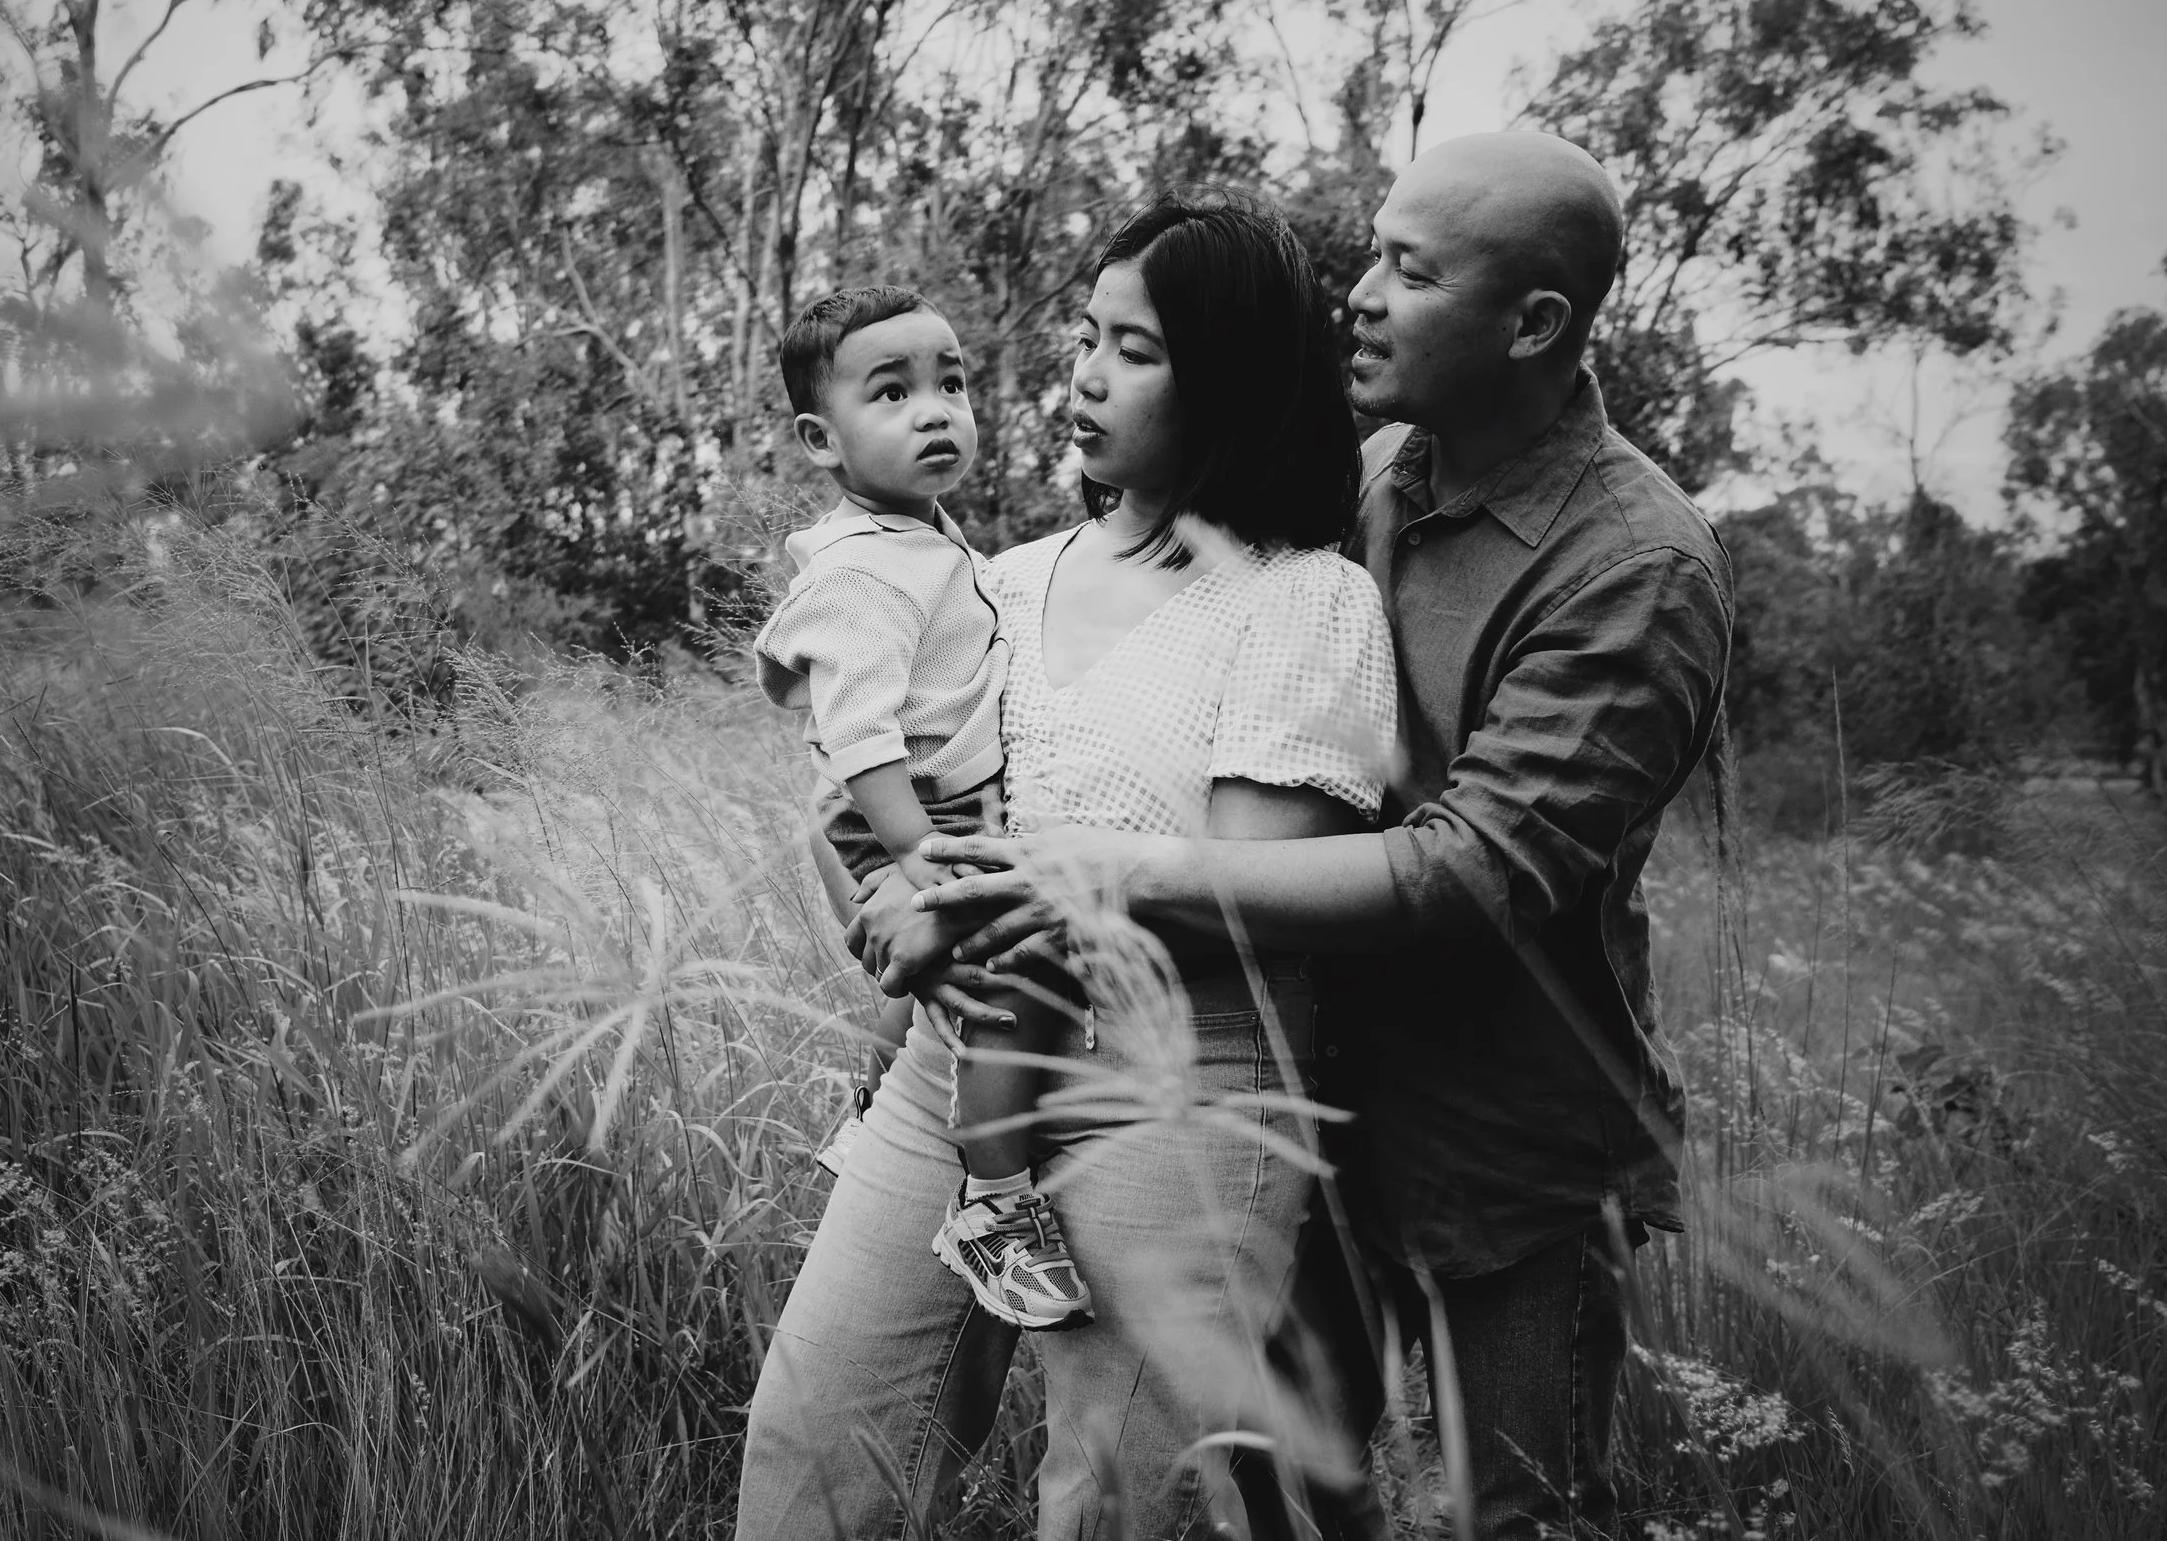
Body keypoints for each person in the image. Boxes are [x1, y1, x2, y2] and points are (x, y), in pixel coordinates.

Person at [899, 133, 1737, 1539]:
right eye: (1371, 252)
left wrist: (1115, 872)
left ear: (1534, 325)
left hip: (1500, 1147)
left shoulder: (1634, 566)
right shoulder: (1373, 473)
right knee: (1276, 1488)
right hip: (1296, 1099)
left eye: (1409, 272)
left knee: (1517, 1512)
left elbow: (1472, 868)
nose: (1359, 293)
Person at [735, 188, 1397, 1540]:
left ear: (1232, 376)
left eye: (1135, 347)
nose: (1084, 375)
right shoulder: (1001, 578)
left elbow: (1249, 890)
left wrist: (973, 904)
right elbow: (864, 789)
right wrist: (888, 906)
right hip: (956, 1062)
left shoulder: (1304, 599)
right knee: (814, 1447)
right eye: (1085, 335)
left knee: (1102, 1504)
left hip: (1177, 1091)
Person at [754, 284, 1092, 1331]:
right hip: (906, 809)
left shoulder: (923, 539)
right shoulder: (864, 570)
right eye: (891, 392)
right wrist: (919, 852)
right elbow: (855, 733)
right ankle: (994, 1200)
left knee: (934, 986)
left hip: (932, 803)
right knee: (1010, 972)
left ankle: (869, 1114)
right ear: (822, 437)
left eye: (950, 381)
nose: (935, 409)